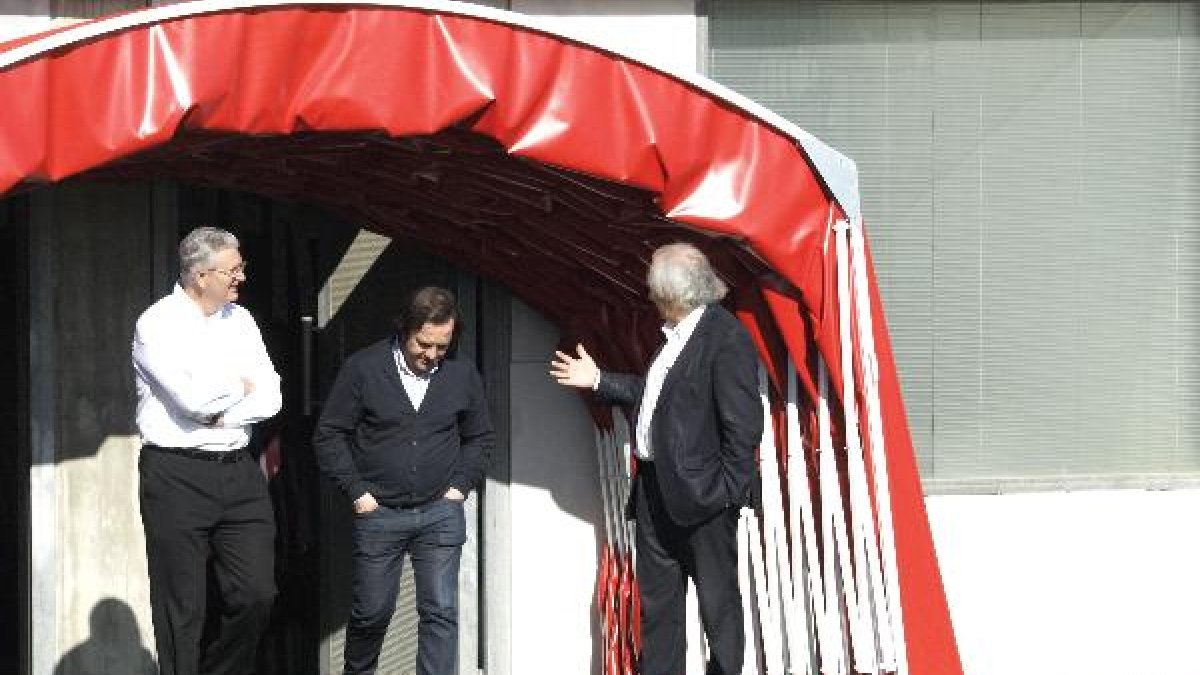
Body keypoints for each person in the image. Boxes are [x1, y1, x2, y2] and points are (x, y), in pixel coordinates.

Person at [551, 242, 762, 675]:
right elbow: (654, 398)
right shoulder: (674, 337)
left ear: (671, 295)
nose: (647, 295)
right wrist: (599, 380)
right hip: (653, 491)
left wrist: (725, 495)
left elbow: (743, 426)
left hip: (704, 499)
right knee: (659, 607)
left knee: (718, 607)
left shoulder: (725, 338)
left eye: (652, 288)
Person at [313, 286, 495, 675]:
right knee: (372, 612)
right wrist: (357, 491)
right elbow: (329, 434)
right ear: (404, 330)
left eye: (442, 346)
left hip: (440, 510)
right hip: (379, 512)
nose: (432, 355)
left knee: (441, 611)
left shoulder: (462, 373)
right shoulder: (364, 368)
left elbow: (480, 436)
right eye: (423, 344)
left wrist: (459, 487)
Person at [132, 226, 282, 675]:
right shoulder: (156, 324)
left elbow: (272, 398)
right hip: (177, 474)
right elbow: (193, 402)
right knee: (182, 606)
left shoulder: (242, 321)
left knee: (257, 594)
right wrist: (239, 386)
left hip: (239, 471)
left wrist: (220, 408)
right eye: (233, 270)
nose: (241, 277)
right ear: (201, 276)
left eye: (241, 267)